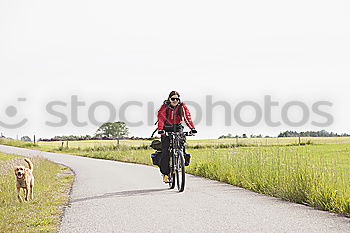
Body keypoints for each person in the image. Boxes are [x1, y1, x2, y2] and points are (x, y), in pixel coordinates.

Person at [157, 91, 197, 183]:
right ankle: (166, 174)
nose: (175, 100)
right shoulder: (165, 107)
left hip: (178, 127)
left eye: (177, 99)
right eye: (173, 99)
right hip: (166, 128)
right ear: (169, 99)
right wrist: (160, 129)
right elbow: (161, 118)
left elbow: (187, 118)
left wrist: (192, 128)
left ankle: (180, 163)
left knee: (182, 148)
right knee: (165, 151)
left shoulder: (182, 107)